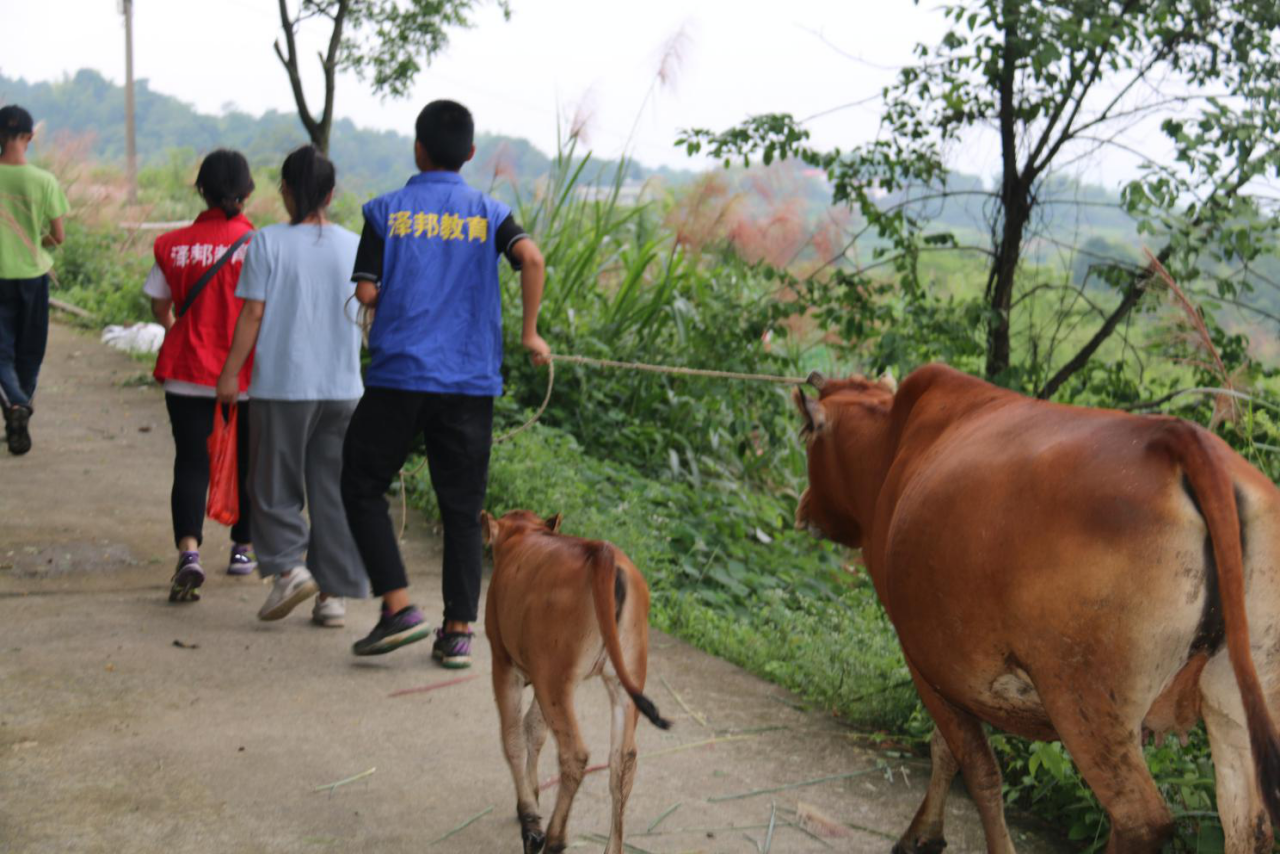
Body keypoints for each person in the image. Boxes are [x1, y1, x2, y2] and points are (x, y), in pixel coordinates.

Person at [342, 99, 549, 666]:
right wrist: (531, 334)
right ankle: (458, 632)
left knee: (361, 483)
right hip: (468, 381)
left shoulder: (386, 211)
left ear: (418, 148)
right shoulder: (489, 211)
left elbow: (364, 293)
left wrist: (394, 295)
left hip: (399, 377)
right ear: (471, 154)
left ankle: (399, 606)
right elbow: (530, 259)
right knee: (463, 509)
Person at [216, 145, 368, 627]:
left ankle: (289, 569)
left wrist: (228, 373)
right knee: (332, 488)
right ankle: (332, 596)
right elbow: (369, 311)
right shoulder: (354, 243)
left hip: (283, 385)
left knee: (273, 485)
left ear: (285, 190)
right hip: (344, 386)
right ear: (330, 193)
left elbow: (254, 313)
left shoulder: (268, 242)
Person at [145, 149, 257, 602]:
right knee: (248, 463)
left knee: (192, 462)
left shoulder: (173, 244)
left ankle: (189, 552)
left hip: (186, 373)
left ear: (200, 190)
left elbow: (158, 303)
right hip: (246, 376)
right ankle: (242, 549)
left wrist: (177, 330)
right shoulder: (258, 244)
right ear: (247, 194)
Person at [0, 105, 68, 456]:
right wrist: (36, 241)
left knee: (2, 353)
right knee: (30, 352)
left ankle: (15, 405)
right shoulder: (44, 181)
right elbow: (58, 235)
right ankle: (19, 405)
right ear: (29, 138)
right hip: (33, 276)